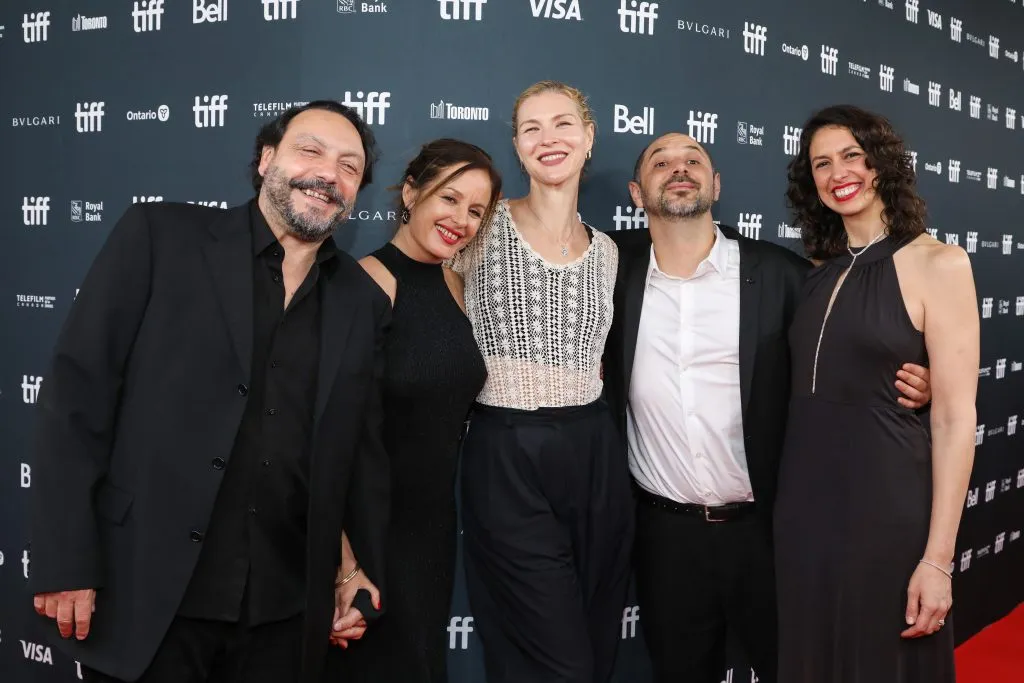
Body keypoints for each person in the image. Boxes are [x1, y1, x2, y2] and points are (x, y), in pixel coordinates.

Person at [27, 100, 391, 683]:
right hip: (146, 594)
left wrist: (355, 570)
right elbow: (77, 400)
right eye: (310, 150)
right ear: (267, 158)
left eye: (350, 166)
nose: (329, 173)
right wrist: (65, 557)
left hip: (282, 613)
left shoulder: (360, 300)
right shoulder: (160, 237)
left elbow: (360, 453)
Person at [601, 131, 933, 683]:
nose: (678, 169)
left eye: (693, 159)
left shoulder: (785, 275)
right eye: (661, 162)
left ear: (717, 184)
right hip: (665, 537)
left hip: (770, 531)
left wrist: (917, 384)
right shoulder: (610, 270)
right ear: (637, 193)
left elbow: (846, 351)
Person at [774, 104, 978, 682]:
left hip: (885, 506)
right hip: (803, 508)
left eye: (852, 156)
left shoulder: (940, 263)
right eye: (822, 163)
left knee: (883, 660)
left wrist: (938, 560)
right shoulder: (816, 270)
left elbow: (957, 420)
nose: (839, 172)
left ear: (882, 162)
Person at [452, 81, 635, 683]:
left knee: (596, 626)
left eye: (562, 124)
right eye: (531, 128)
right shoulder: (478, 230)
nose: (548, 138)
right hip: (505, 452)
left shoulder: (608, 252)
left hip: (596, 450)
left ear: (589, 139)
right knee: (555, 657)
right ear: (516, 146)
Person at [327, 138, 502, 682]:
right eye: (449, 199)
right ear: (410, 191)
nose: (461, 220)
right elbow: (325, 439)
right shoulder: (363, 284)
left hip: (430, 531)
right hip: (367, 533)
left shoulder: (458, 283)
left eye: (477, 210)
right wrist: (343, 567)